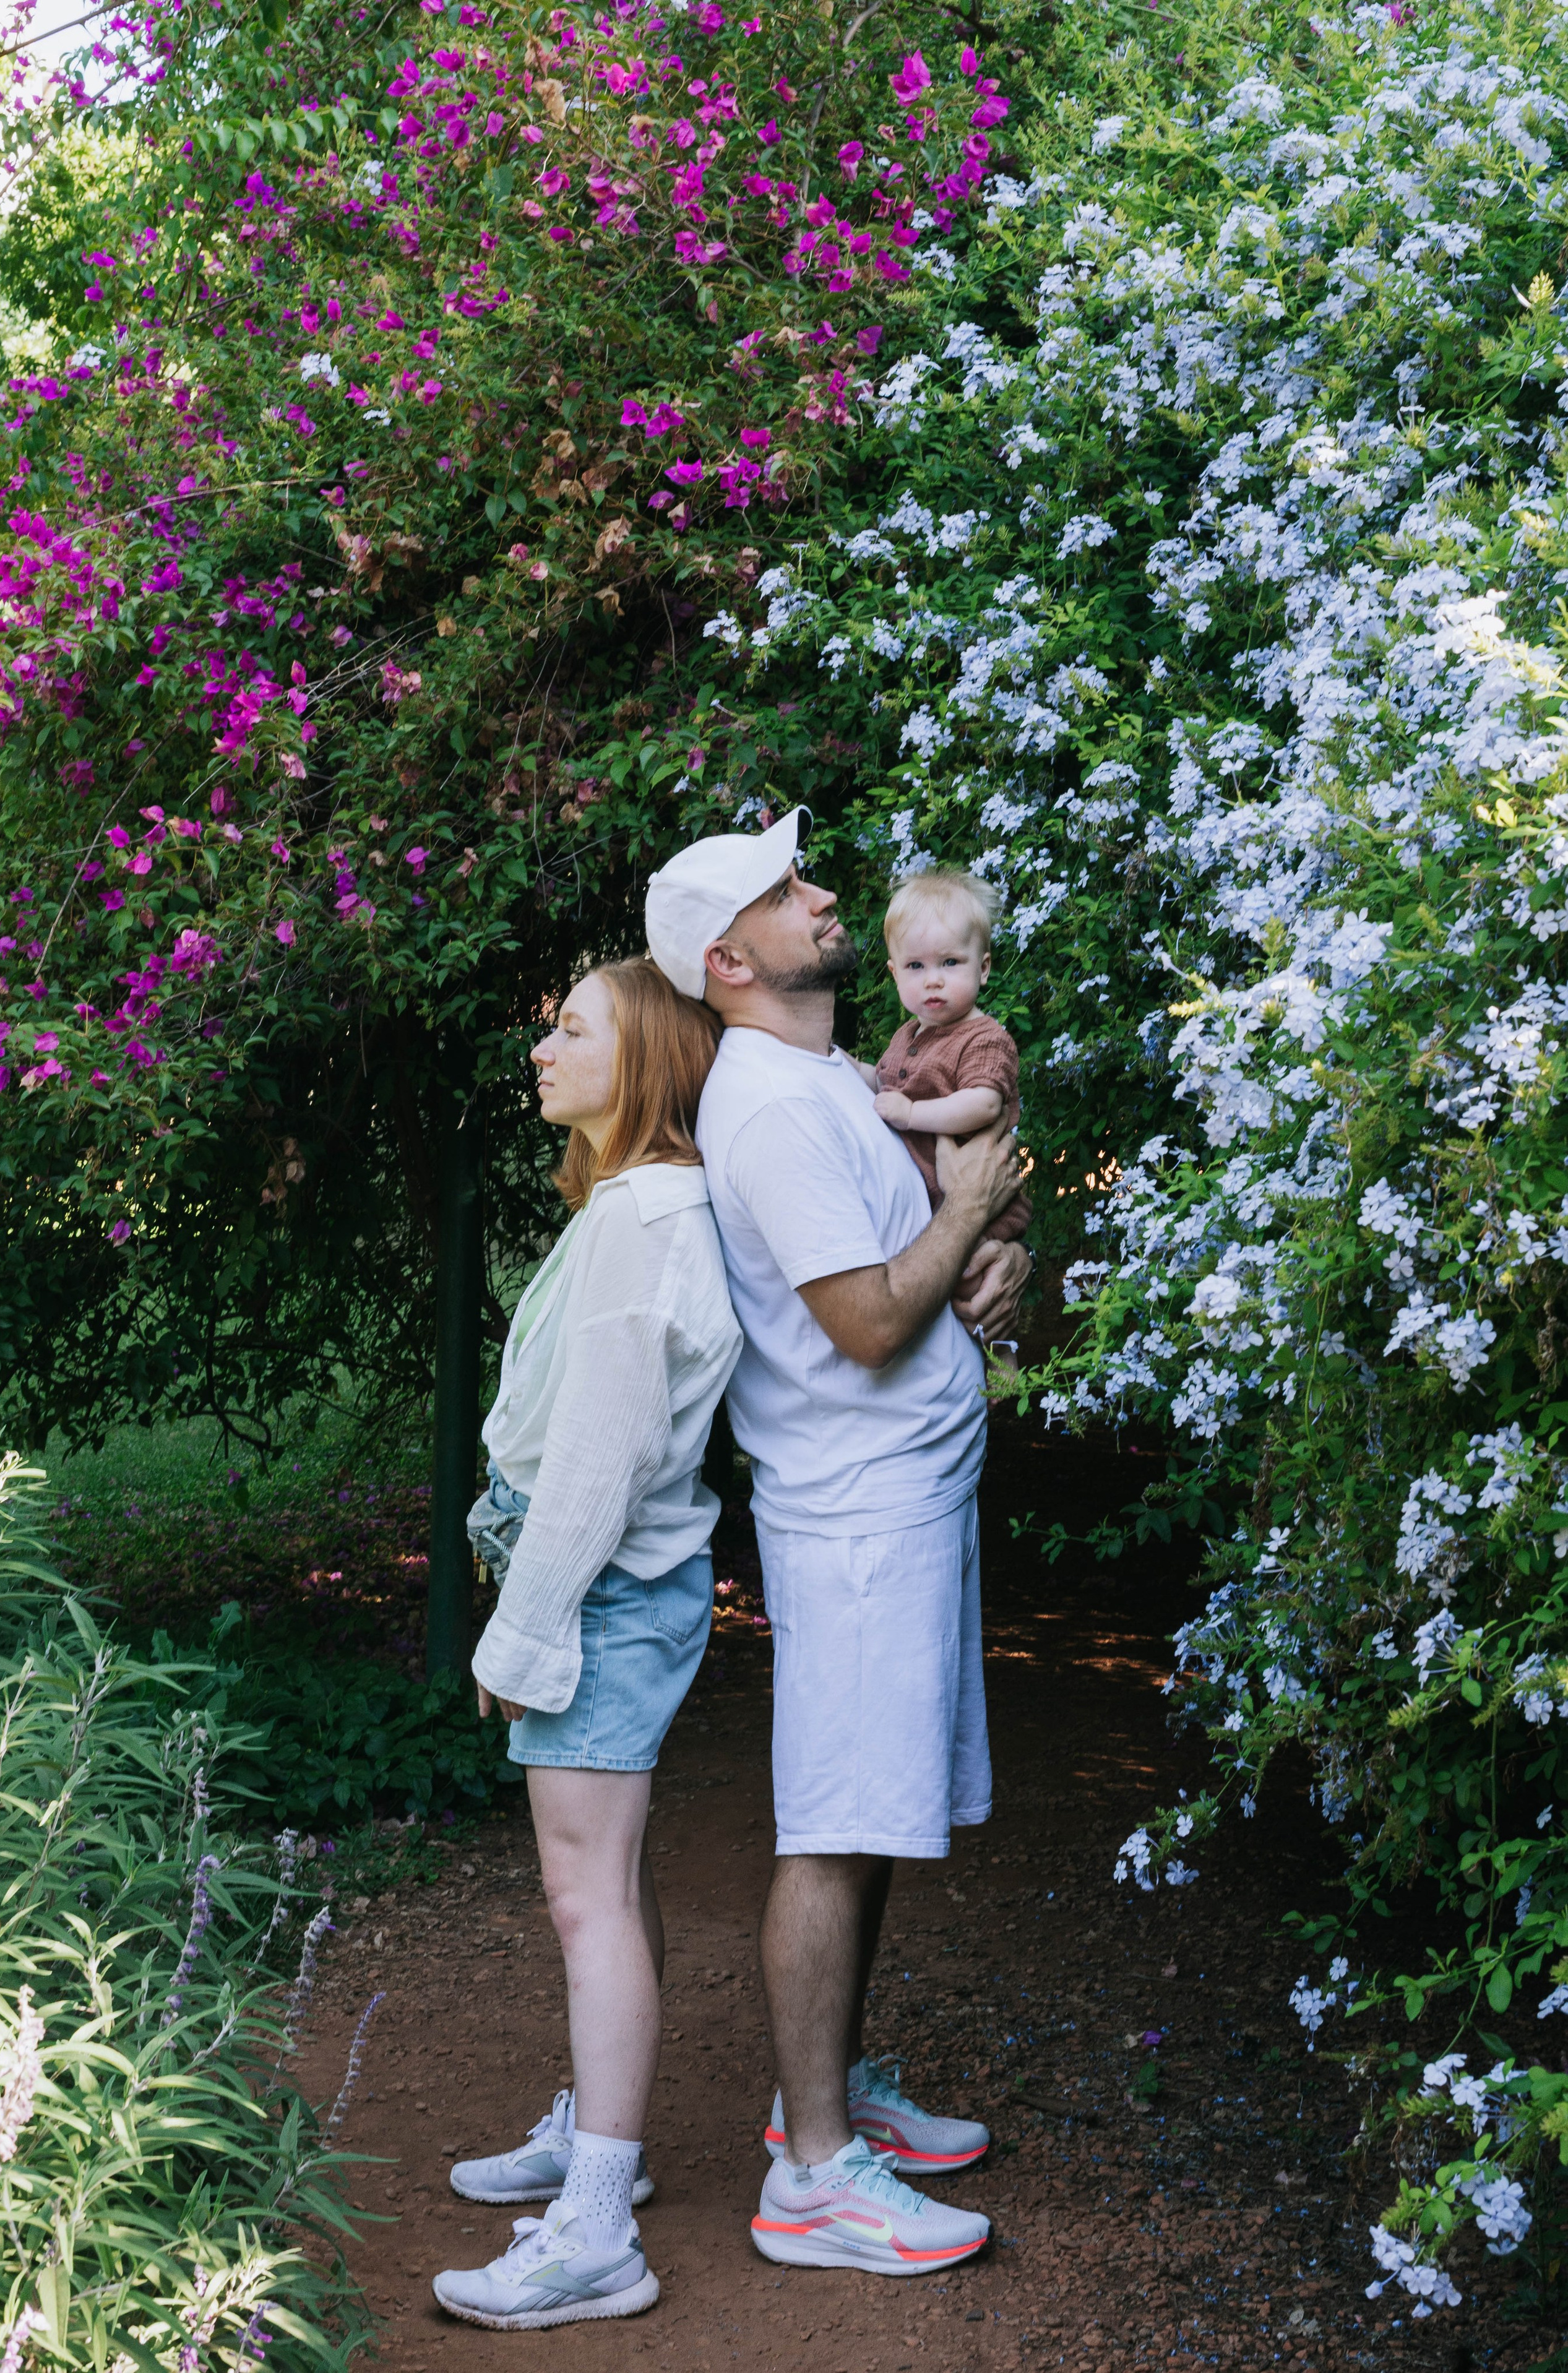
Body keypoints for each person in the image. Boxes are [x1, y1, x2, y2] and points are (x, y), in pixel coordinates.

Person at [644, 811, 1030, 2280]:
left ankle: (832, 2093)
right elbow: (865, 1318)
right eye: (785, 888)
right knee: (830, 1825)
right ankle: (811, 2174)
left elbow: (907, 1256)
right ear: (729, 959)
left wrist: (991, 1253)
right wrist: (970, 1206)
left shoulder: (831, 1076)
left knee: (869, 1819)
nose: (819, 896)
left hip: (903, 1491)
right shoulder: (766, 1107)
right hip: (857, 1509)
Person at [431, 955, 742, 2333]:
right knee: (610, 1881)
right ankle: (598, 2135)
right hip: (617, 1584)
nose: (542, 1049)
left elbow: (597, 1467)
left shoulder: (643, 1221)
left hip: (602, 1587)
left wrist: (522, 1629)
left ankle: (600, 2229)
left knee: (586, 1899)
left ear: (649, 1062)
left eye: (573, 1029)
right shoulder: (634, 1203)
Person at [850, 867, 1032, 1372]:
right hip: (938, 1199)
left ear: (983, 968)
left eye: (951, 962)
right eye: (916, 966)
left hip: (982, 1205)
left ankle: (1005, 1361)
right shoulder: (907, 1036)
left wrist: (912, 1114)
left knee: (977, 1277)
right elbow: (884, 1082)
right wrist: (843, 1064)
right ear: (894, 974)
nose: (933, 979)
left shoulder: (984, 1037)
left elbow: (984, 1103)